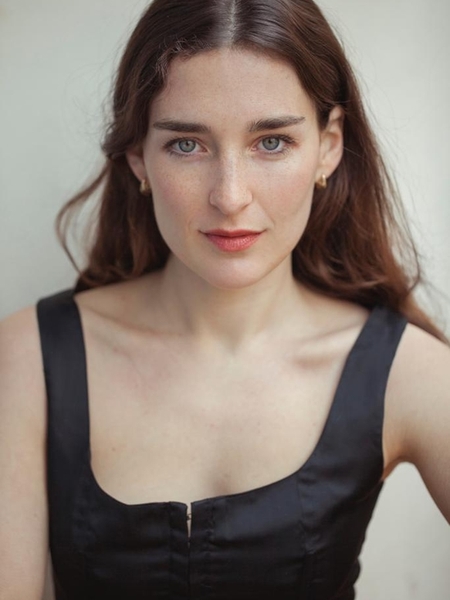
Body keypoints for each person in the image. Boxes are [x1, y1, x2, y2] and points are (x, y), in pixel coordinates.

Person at [0, 0, 449, 598]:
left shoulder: (410, 373)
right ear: (137, 155)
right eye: (187, 145)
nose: (230, 196)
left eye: (272, 142)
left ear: (329, 144)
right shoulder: (26, 359)